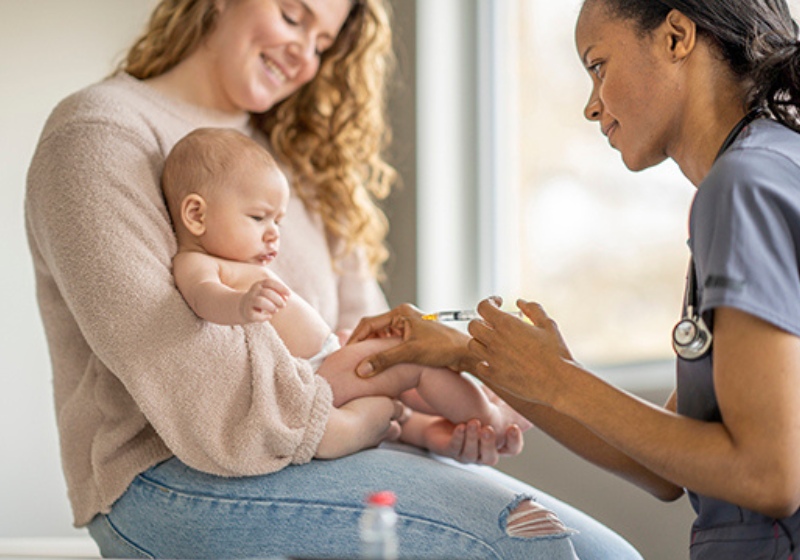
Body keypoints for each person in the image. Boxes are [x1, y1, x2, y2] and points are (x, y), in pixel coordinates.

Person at [24, 0, 642, 558]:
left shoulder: (293, 162)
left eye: (323, 41)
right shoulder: (103, 134)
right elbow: (201, 396)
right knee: (530, 545)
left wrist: (421, 423)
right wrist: (353, 407)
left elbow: (359, 336)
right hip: (174, 477)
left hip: (327, 441)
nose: (304, 55)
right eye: (294, 17)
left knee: (610, 556)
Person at [350, 0, 800, 558]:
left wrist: (560, 379)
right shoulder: (772, 167)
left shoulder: (742, 187)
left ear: (677, 37)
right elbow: (663, 467)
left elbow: (768, 476)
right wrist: (466, 355)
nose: (593, 106)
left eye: (598, 66)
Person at [162, 126, 529, 450]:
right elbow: (203, 297)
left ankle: (441, 423)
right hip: (313, 375)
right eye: (258, 217)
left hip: (326, 357)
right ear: (196, 215)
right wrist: (240, 305)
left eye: (278, 220)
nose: (274, 233)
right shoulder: (197, 263)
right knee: (412, 361)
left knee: (403, 374)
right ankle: (493, 420)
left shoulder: (239, 263)